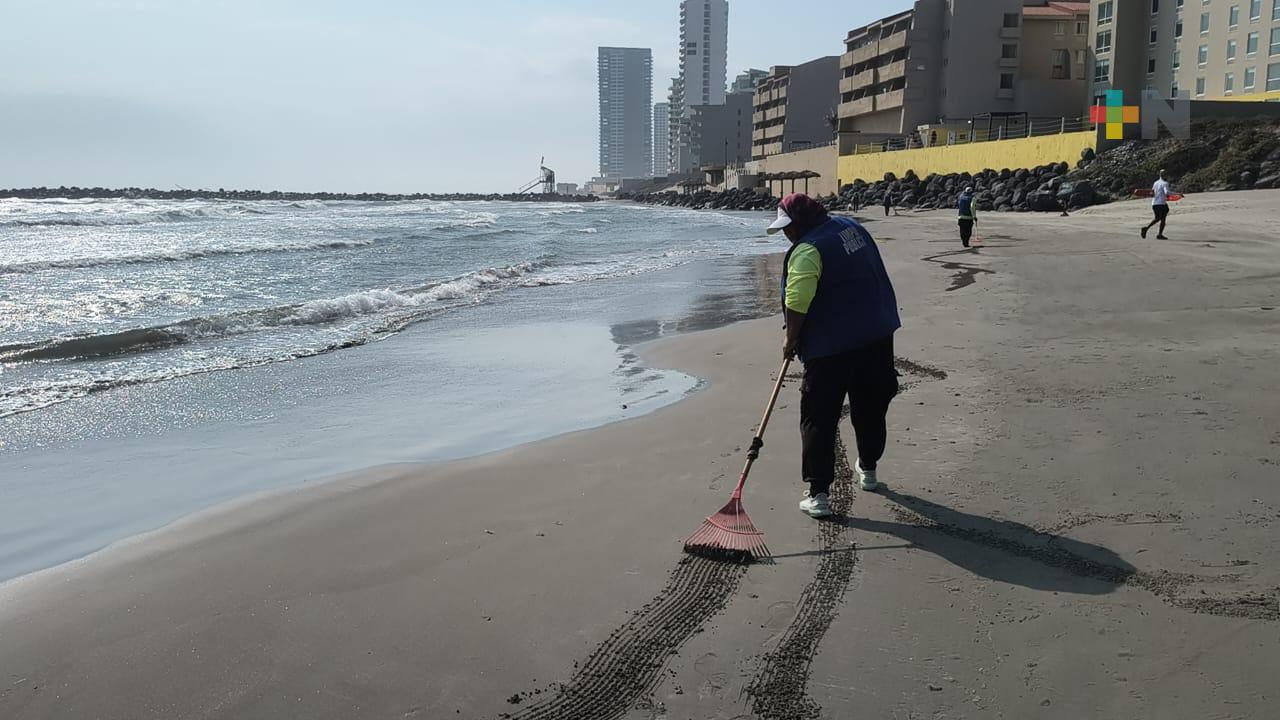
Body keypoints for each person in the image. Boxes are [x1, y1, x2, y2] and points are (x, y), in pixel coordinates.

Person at [767, 193, 901, 519]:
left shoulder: (807, 250)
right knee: (871, 406)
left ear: (802, 223)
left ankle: (818, 494)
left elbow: (797, 299)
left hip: (830, 347)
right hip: (876, 333)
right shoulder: (851, 228)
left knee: (819, 416)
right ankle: (868, 469)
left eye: (789, 227)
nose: (786, 234)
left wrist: (790, 339)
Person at [1141, 170, 1171, 239]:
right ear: (1165, 175)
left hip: (1154, 203)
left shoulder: (1156, 183)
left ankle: (1159, 234)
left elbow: (1152, 193)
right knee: (1161, 218)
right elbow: (1167, 192)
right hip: (1161, 204)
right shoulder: (1165, 183)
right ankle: (1147, 229)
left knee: (1160, 218)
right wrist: (1177, 194)